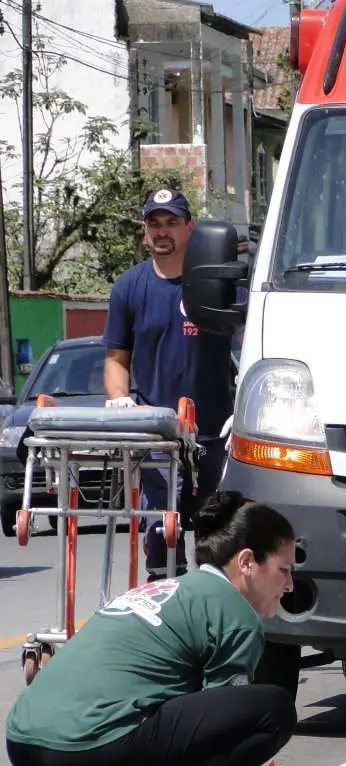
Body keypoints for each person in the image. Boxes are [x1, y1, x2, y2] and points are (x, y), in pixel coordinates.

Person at [5, 491, 299, 766]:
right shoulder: (233, 613)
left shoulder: (162, 590)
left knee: (130, 699)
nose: (290, 585)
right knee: (271, 711)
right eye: (284, 569)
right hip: (84, 748)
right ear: (247, 562)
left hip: (25, 747)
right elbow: (218, 742)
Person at [102, 188, 236, 580]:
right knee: (163, 531)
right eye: (154, 224)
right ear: (145, 232)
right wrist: (120, 401)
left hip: (215, 433)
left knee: (220, 535)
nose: (162, 232)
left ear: (189, 228)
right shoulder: (130, 287)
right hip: (156, 436)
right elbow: (115, 359)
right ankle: (164, 610)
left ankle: (213, 616)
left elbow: (253, 339)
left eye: (172, 223)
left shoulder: (215, 281)